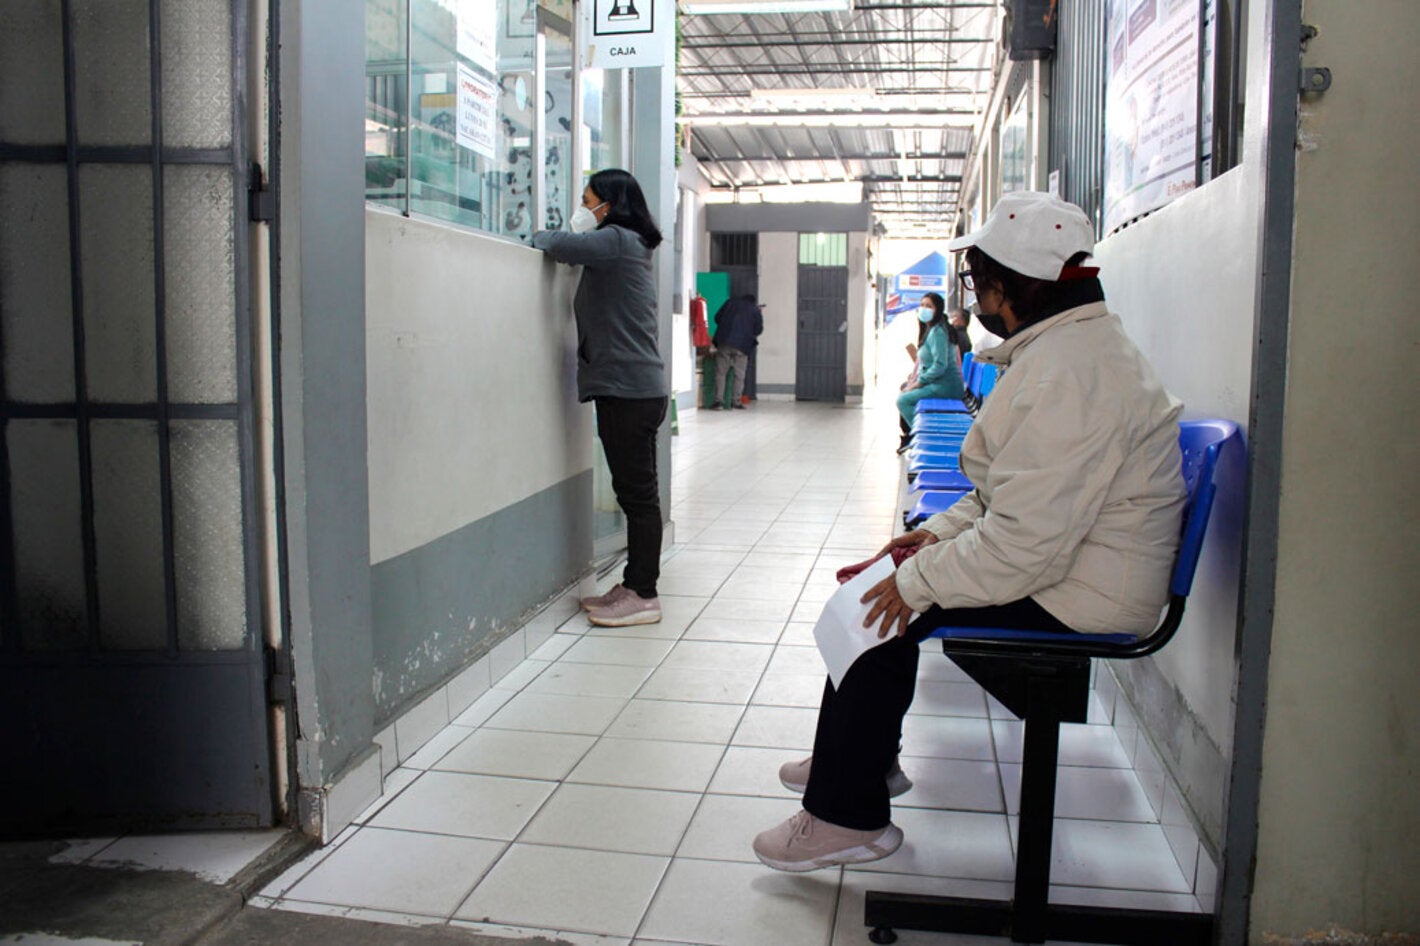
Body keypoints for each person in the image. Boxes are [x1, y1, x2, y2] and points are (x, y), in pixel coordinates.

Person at [752, 190, 1186, 872]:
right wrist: (932, 537)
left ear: (1017, 286)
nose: (975, 297)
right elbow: (1003, 495)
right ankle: (860, 761)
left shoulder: (1073, 372)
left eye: (981, 281)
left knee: (879, 609)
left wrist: (916, 580)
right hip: (1073, 564)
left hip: (1084, 592)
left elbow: (1025, 542)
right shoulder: (1065, 349)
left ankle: (846, 815)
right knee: (883, 590)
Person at [531, 169, 667, 628]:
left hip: (629, 391)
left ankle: (644, 595)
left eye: (588, 201)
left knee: (638, 498)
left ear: (611, 205)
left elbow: (556, 243)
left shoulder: (617, 240)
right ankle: (633, 584)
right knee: (636, 494)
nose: (584, 209)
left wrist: (539, 233)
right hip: (633, 388)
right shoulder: (627, 244)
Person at [894, 292, 965, 451]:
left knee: (903, 400)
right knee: (905, 394)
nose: (924, 309)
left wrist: (919, 383)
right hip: (938, 384)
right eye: (922, 305)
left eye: (929, 306)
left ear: (937, 310)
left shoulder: (938, 332)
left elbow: (940, 365)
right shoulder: (932, 330)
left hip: (945, 386)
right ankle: (921, 435)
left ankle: (924, 437)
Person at [710, 294, 764, 410]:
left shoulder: (729, 303)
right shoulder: (755, 309)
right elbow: (758, 330)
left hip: (724, 342)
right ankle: (736, 401)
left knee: (721, 372)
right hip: (742, 346)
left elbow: (717, 318)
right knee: (739, 374)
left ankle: (718, 402)